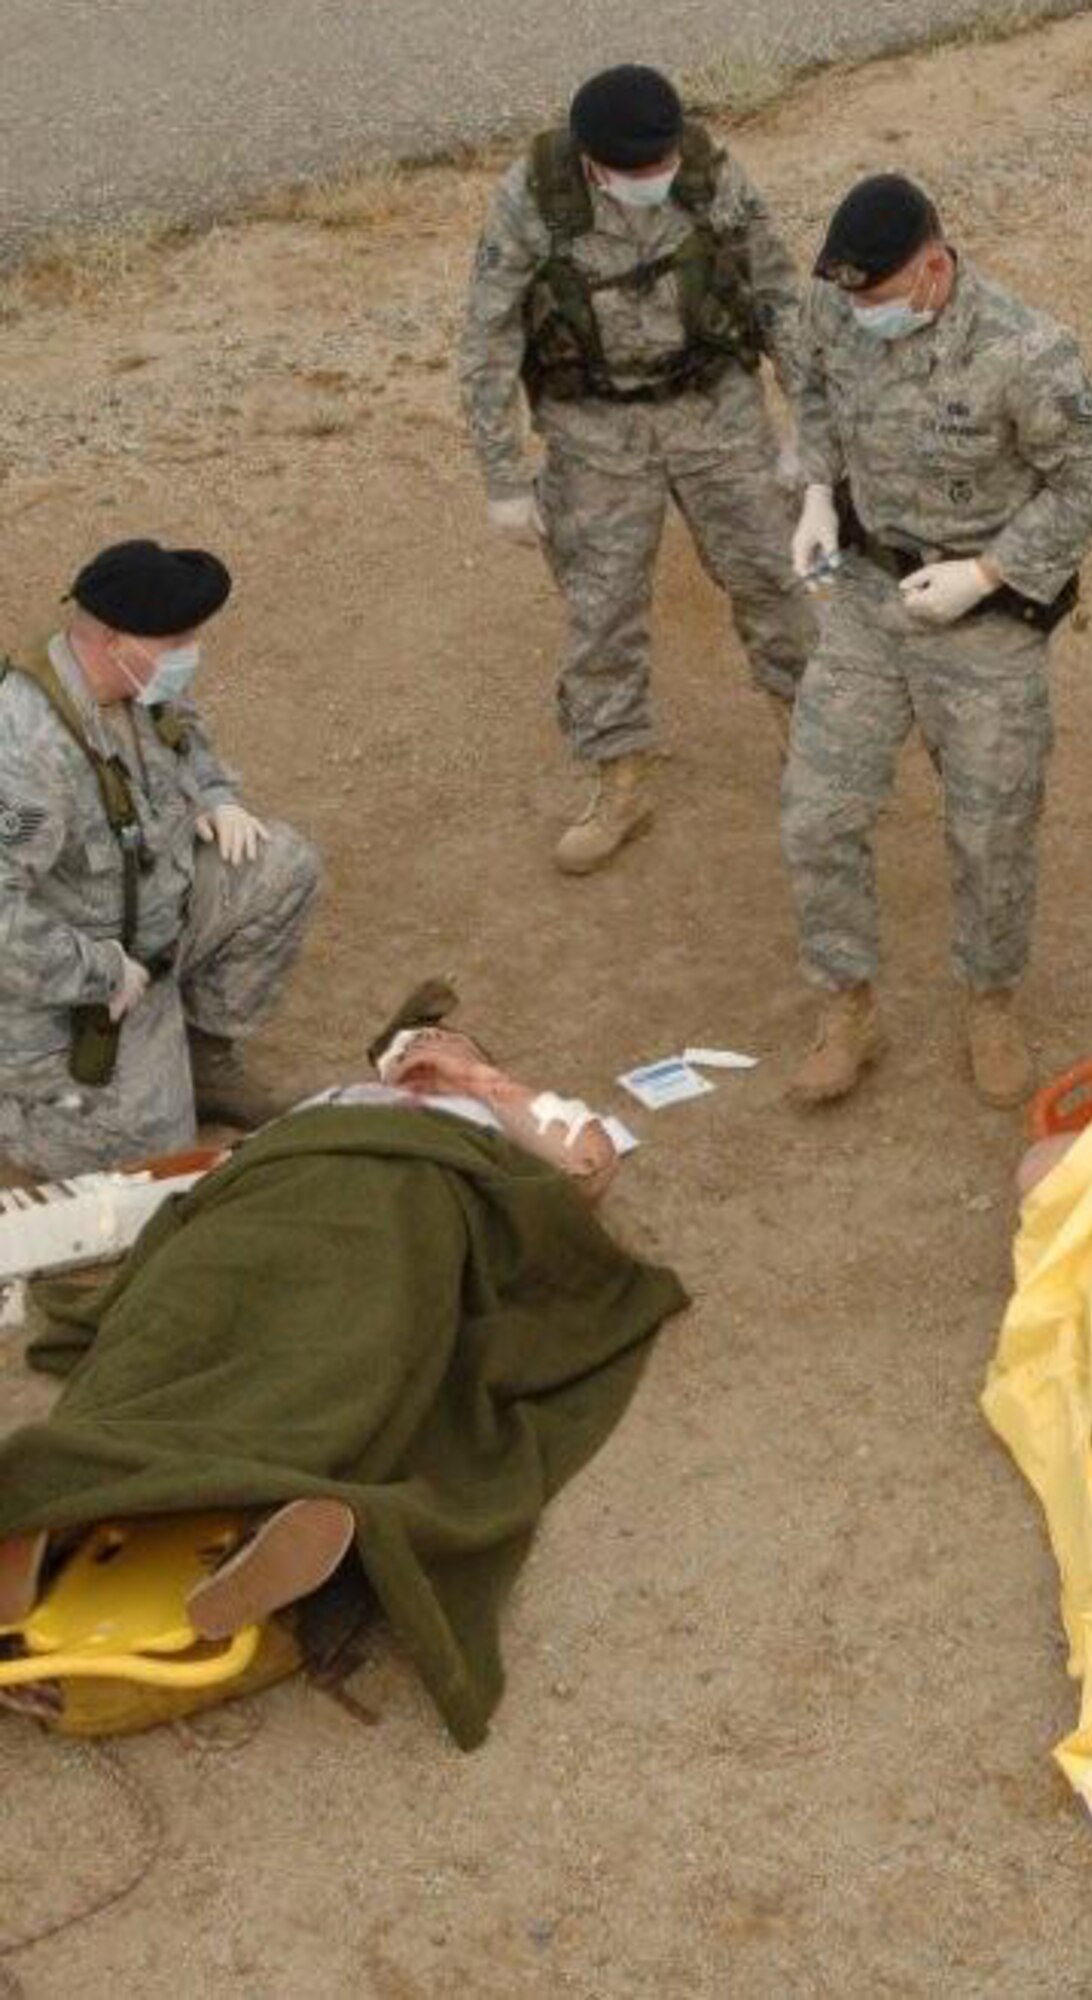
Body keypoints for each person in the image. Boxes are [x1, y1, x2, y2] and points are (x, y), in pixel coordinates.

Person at [0, 1022, 680, 1748]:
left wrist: (476, 1081)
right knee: (169, 1326)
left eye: (442, 1037)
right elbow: (217, 1182)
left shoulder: (494, 1113)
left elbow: (588, 1167)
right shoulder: (324, 1104)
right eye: (407, 1043)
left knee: (342, 1342)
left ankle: (265, 1516)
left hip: (399, 1206)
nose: (417, 1048)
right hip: (264, 1204)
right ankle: (54, 1502)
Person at [781, 173, 1092, 1108]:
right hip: (863, 597)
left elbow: (1091, 485)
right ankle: (848, 1003)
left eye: (878, 300)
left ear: (933, 270)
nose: (859, 317)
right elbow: (807, 377)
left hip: (982, 622)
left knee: (991, 825)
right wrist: (815, 489)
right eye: (848, 300)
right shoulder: (832, 305)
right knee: (819, 811)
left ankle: (990, 997)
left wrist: (989, 574)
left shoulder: (1027, 351)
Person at [457, 62, 816, 874]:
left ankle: (813, 745)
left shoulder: (711, 174)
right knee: (602, 609)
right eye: (638, 171)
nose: (657, 179)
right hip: (594, 430)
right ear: (592, 163)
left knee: (776, 574)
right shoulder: (532, 199)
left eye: (663, 165)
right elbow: (487, 338)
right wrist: (504, 478)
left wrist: (809, 429)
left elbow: (779, 295)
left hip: (714, 410)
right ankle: (621, 778)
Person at [0, 540, 320, 1177]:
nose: (190, 655)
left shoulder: (136, 682)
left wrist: (216, 796)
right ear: (114, 638)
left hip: (149, 918)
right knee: (158, 1161)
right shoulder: (27, 750)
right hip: (63, 985)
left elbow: (186, 739)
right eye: (179, 642)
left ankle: (202, 1057)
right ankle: (24, 1106)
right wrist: (100, 972)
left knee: (281, 867)